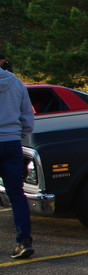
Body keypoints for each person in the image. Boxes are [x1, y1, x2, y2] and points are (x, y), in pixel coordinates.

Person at [0, 58, 35, 258]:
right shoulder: (15, 82)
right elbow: (27, 116)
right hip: (11, 142)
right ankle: (24, 241)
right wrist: (19, 134)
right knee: (16, 194)